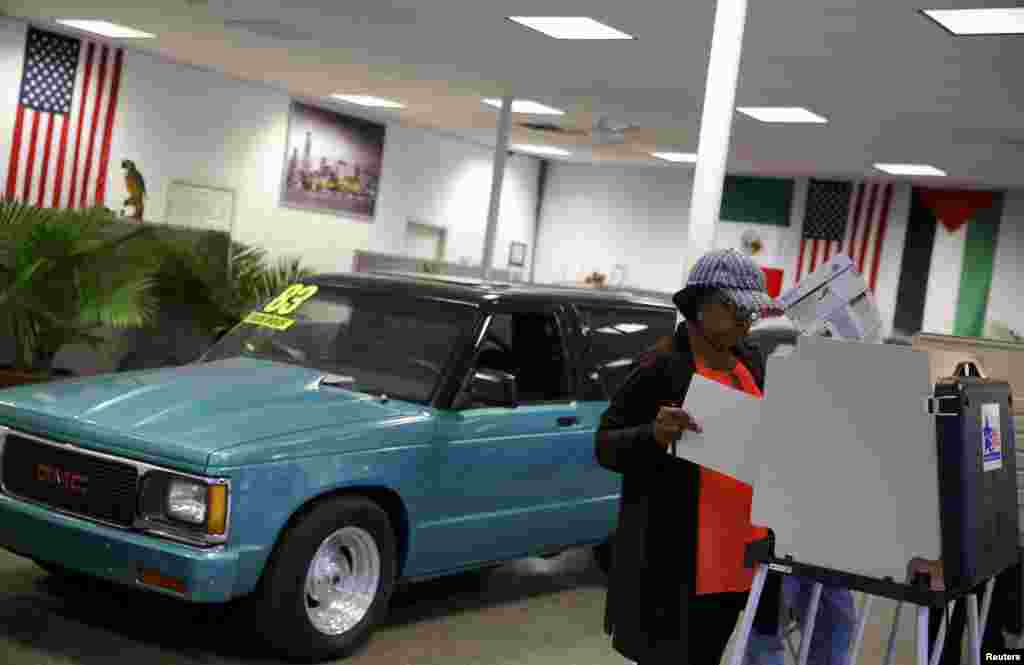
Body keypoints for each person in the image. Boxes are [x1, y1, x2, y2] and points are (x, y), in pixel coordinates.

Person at [595, 248, 783, 665]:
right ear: (699, 304)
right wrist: (652, 435)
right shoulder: (661, 367)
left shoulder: (752, 362)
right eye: (734, 309)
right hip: (677, 566)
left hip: (743, 558)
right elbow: (604, 444)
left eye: (750, 312)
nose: (745, 321)